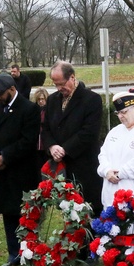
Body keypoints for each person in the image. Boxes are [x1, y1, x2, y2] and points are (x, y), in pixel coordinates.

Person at [0, 73, 41, 266]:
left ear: (12, 90)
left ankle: (29, 253)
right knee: (8, 214)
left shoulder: (29, 109)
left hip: (22, 172)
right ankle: (13, 253)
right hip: (1, 173)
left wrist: (5, 156)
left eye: (0, 93)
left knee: (26, 215)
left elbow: (28, 140)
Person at [42, 61, 105, 217]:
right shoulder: (52, 100)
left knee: (89, 213)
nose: (59, 88)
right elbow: (45, 128)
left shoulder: (91, 99)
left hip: (85, 166)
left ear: (72, 77)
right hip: (63, 169)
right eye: (55, 84)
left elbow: (89, 132)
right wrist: (51, 146)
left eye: (62, 84)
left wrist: (66, 149)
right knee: (69, 214)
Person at [32, 87, 50, 173]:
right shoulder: (34, 110)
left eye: (42, 99)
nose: (41, 101)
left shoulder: (49, 110)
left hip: (46, 144)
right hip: (36, 145)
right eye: (39, 99)